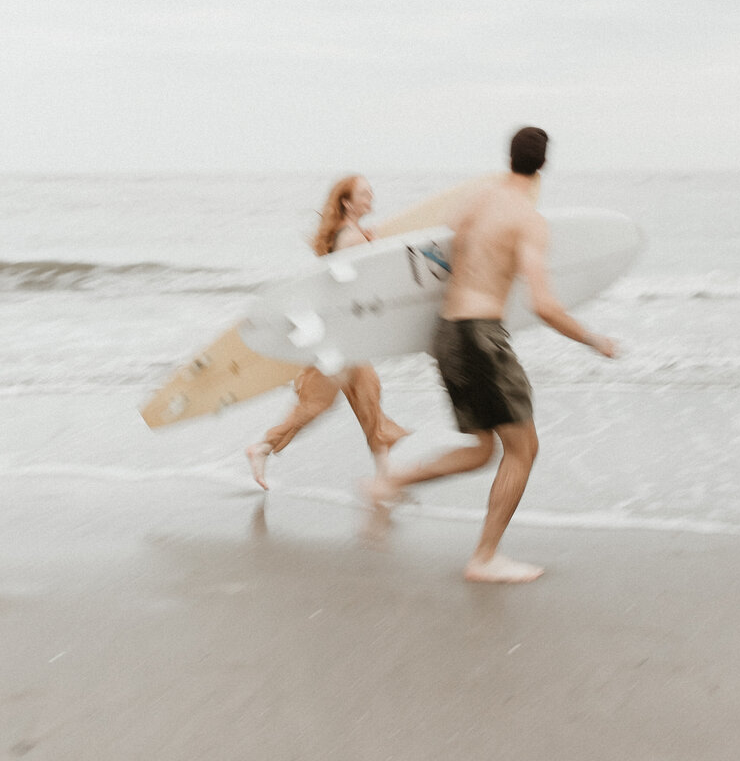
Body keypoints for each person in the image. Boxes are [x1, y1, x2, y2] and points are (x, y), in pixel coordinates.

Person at [366, 127, 616, 584]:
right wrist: (593, 339)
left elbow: (431, 254)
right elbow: (543, 304)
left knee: (483, 449)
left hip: (446, 332)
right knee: (524, 449)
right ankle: (484, 558)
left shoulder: (476, 200)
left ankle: (390, 482)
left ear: (509, 157)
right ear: (543, 165)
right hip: (481, 337)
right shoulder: (529, 221)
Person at [245, 175, 407, 490]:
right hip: (339, 340)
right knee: (320, 402)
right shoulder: (352, 237)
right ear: (346, 202)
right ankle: (263, 447)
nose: (370, 195)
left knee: (368, 397)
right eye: (363, 193)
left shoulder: (350, 234)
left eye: (371, 190)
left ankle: (385, 475)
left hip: (343, 336)